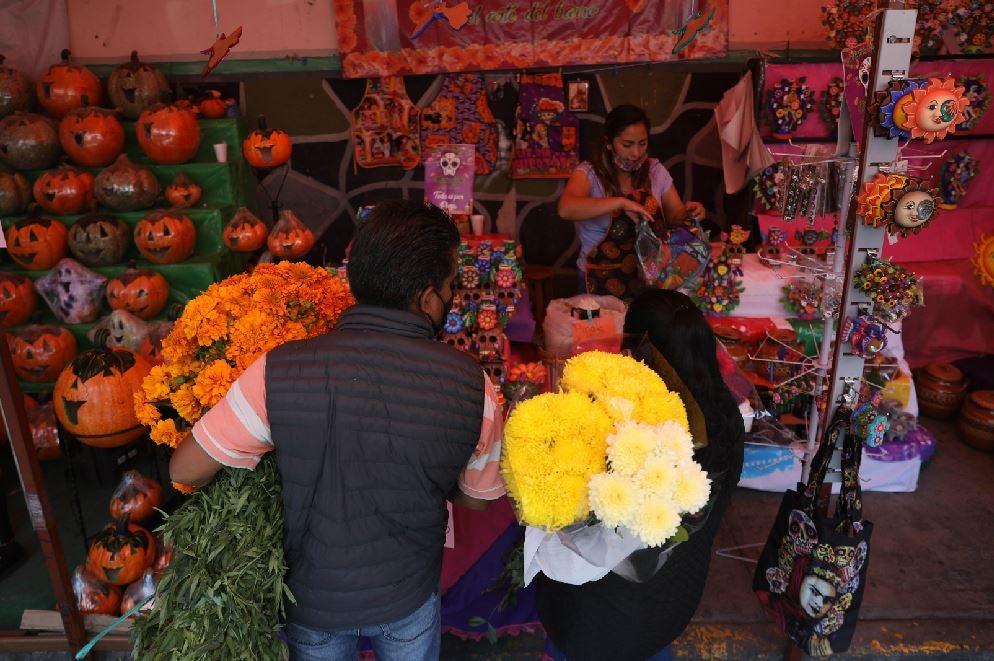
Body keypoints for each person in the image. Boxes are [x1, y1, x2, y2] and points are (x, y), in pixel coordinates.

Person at [170, 200, 506, 661]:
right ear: (429, 298)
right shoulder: (474, 386)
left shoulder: (277, 371)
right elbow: (479, 497)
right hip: (407, 594)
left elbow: (185, 468)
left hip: (312, 604)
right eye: (451, 286)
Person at [535, 289, 745, 661]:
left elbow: (575, 514)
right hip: (672, 600)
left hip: (597, 614)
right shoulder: (727, 413)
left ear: (639, 347)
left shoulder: (624, 423)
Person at [558, 104, 705, 301]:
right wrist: (620, 203)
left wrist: (690, 214)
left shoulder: (655, 171)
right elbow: (566, 209)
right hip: (600, 279)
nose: (636, 153)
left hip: (650, 277)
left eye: (642, 143)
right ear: (609, 143)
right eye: (627, 145)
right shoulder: (589, 173)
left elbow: (675, 216)